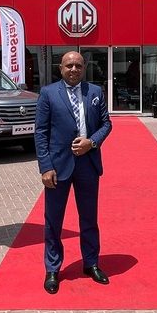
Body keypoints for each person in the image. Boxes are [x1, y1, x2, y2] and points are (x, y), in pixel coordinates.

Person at [35, 51, 112, 294]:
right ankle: (52, 268)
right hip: (58, 167)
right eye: (69, 65)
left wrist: (92, 142)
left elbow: (106, 124)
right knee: (53, 220)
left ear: (84, 67)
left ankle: (91, 263)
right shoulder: (48, 93)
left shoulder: (95, 92)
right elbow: (41, 132)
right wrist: (46, 167)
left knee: (89, 218)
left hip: (88, 164)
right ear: (61, 68)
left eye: (78, 65)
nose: (74, 69)